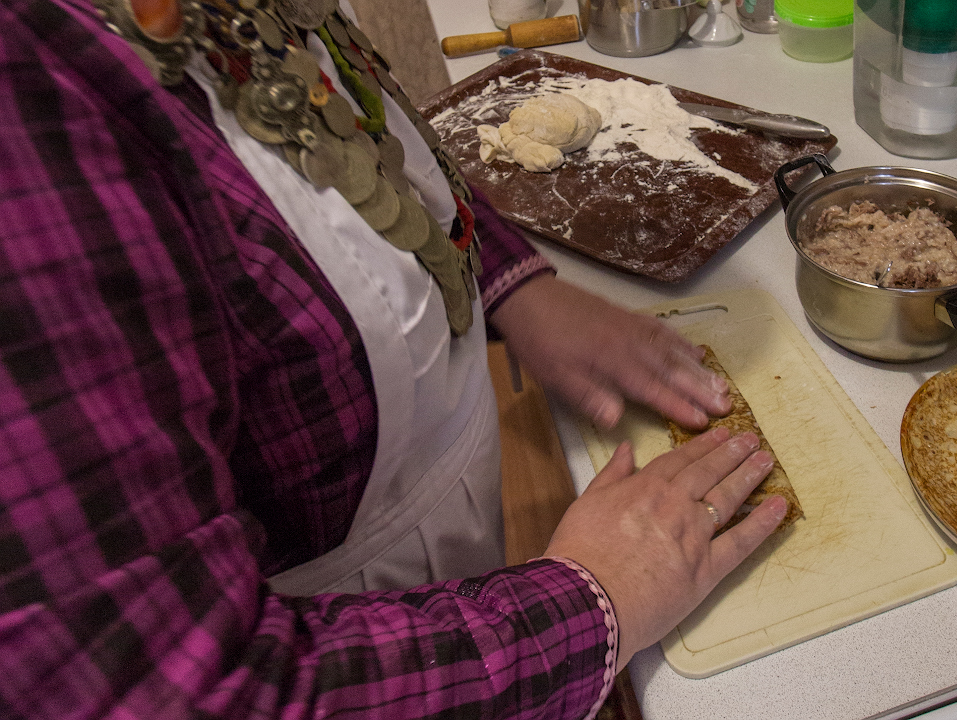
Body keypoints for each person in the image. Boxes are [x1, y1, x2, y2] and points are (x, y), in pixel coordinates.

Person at [0, 0, 788, 717]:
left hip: (452, 567)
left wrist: (505, 280)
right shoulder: (26, 116)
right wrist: (590, 603)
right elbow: (174, 691)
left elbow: (356, 154)